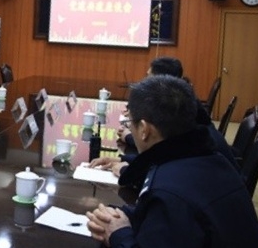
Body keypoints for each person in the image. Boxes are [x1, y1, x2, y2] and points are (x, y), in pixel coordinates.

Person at [85, 75, 258, 248]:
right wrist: (122, 216)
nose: (129, 127)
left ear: (144, 130)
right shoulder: (209, 158)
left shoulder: (169, 189)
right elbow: (173, 223)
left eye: (129, 121)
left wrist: (118, 234)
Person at [90, 56, 236, 187]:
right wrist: (124, 159)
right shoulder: (188, 111)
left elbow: (168, 177)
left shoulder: (184, 122)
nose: (145, 81)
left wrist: (126, 170)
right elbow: (168, 153)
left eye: (148, 77)